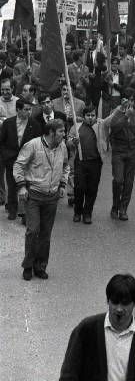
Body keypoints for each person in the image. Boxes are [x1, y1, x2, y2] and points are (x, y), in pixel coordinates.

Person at [13, 119, 69, 280]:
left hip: (52, 197)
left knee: (46, 234)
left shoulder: (62, 146)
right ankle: (28, 266)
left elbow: (66, 166)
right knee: (33, 231)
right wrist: (21, 186)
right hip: (34, 195)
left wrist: (63, 184)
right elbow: (18, 165)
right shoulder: (33, 145)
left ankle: (40, 266)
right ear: (51, 132)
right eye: (61, 131)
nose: (64, 134)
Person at [68, 104, 110, 224]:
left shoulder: (101, 125)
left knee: (92, 189)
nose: (90, 117)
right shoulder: (76, 126)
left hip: (96, 163)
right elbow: (68, 142)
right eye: (88, 115)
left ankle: (87, 213)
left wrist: (120, 109)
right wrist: (73, 142)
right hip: (80, 162)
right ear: (84, 116)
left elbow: (111, 120)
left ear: (96, 116)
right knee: (79, 188)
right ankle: (77, 212)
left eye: (93, 115)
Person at [108, 90, 135, 221]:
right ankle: (115, 206)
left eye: (132, 100)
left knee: (129, 182)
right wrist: (125, 116)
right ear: (122, 101)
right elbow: (113, 127)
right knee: (118, 180)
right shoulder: (115, 113)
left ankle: (123, 209)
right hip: (118, 151)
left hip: (132, 151)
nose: (130, 103)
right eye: (127, 100)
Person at [0, 98, 31, 220]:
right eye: (26, 109)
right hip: (11, 159)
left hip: (27, 161)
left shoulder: (34, 124)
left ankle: (25, 212)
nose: (28, 112)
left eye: (29, 109)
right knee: (12, 186)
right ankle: (12, 209)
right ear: (18, 110)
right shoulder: (8, 123)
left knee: (26, 185)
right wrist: (5, 155)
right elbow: (2, 141)